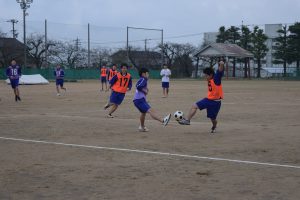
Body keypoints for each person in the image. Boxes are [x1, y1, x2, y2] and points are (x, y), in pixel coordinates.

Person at [178, 59, 225, 133]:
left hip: (215, 103)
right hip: (208, 100)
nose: (205, 77)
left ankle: (214, 126)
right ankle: (187, 120)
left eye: (206, 75)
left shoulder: (216, 79)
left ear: (211, 75)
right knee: (194, 105)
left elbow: (219, 71)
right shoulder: (210, 79)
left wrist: (221, 64)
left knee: (213, 118)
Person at [133, 67, 171, 132]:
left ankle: (142, 127)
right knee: (151, 110)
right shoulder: (143, 79)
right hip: (139, 100)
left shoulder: (143, 80)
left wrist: (145, 90)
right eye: (147, 73)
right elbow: (138, 86)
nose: (148, 75)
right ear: (143, 74)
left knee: (143, 113)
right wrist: (144, 91)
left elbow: (139, 87)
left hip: (138, 100)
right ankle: (163, 121)